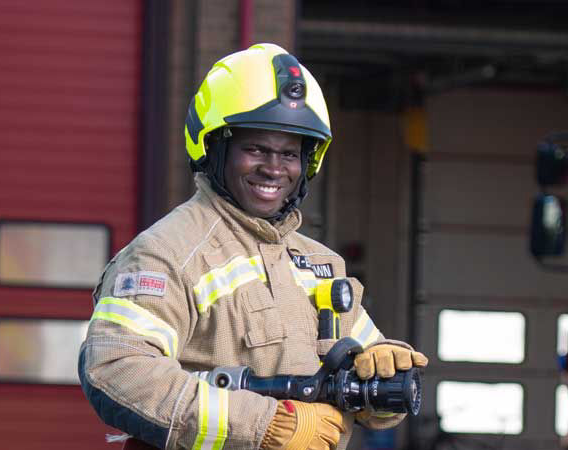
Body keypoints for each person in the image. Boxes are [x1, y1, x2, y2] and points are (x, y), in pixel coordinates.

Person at [78, 43, 428, 450]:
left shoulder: (319, 264)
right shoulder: (167, 254)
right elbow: (117, 369)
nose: (274, 168)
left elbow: (368, 392)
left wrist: (386, 376)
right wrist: (263, 426)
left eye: (289, 153)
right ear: (215, 149)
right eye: (256, 148)